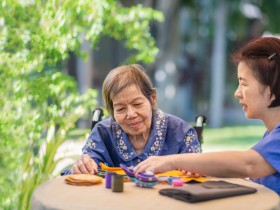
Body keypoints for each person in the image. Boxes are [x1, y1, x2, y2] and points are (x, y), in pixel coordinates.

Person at [134, 37, 280, 195]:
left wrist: (170, 161)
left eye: (244, 84)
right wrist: (200, 167)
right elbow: (243, 170)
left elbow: (248, 165)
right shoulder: (270, 136)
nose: (237, 93)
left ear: (272, 89)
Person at [66, 64, 201, 175]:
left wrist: (193, 169)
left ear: (153, 99)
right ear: (112, 111)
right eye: (120, 109)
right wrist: (82, 166)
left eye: (137, 104)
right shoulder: (102, 133)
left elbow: (198, 170)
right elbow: (84, 168)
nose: (130, 114)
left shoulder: (181, 132)